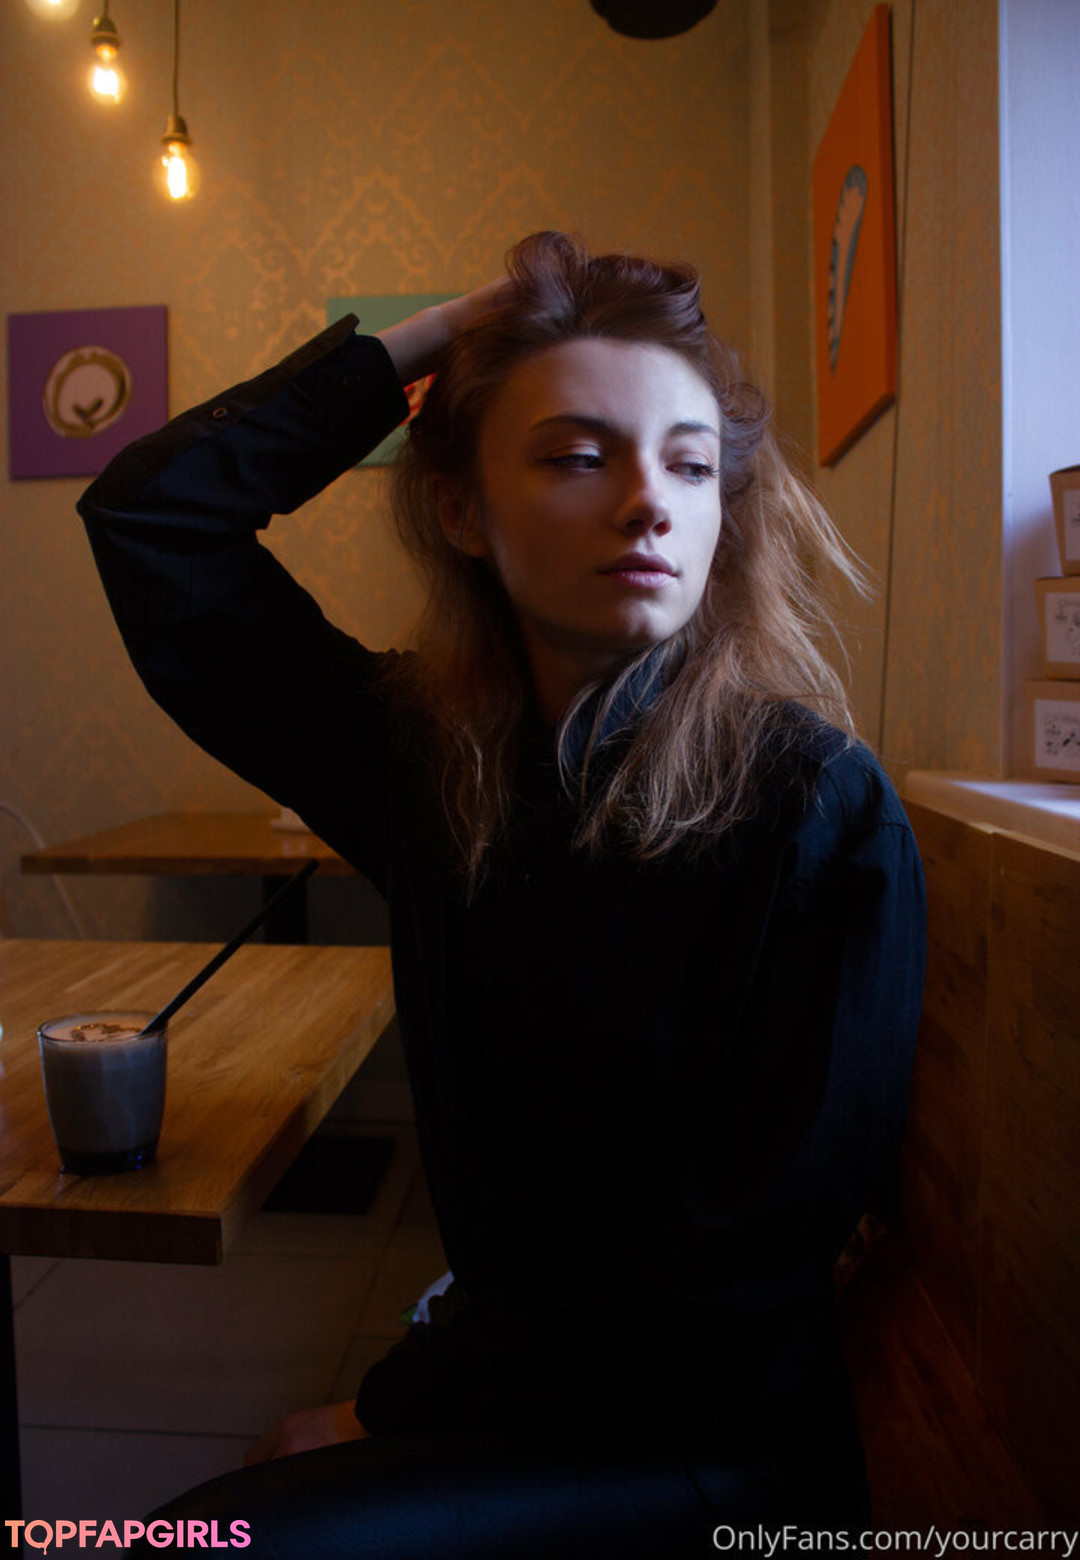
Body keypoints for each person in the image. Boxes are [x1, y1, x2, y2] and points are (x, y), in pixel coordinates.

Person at [78, 231, 925, 1557]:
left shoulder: (820, 807)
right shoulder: (428, 766)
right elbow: (153, 518)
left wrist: (393, 1407)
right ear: (463, 512)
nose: (648, 503)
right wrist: (441, 334)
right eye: (577, 455)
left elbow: (731, 1286)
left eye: (689, 464)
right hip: (522, 1387)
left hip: (712, 1453)